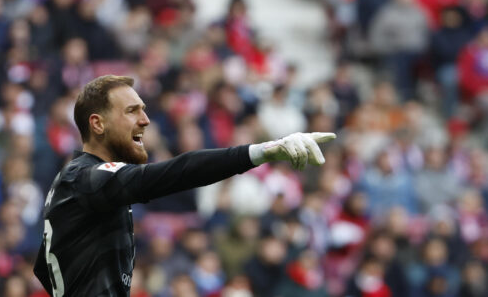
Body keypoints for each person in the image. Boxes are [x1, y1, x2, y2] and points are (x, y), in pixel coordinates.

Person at [33, 75, 335, 296]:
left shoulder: (77, 183)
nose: (146, 120)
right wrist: (261, 152)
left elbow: (45, 270)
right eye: (131, 111)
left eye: (144, 109)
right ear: (97, 124)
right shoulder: (88, 178)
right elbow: (177, 172)